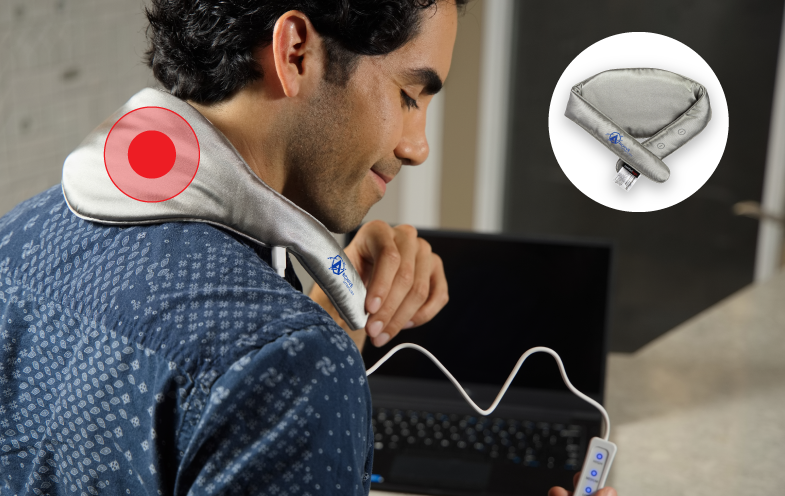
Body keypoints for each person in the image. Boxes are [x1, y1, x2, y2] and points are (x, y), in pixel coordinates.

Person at [0, 0, 617, 494]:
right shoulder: (285, 361)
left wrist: (322, 317)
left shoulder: (16, 237)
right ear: (295, 51)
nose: (417, 146)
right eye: (408, 95)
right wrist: (305, 350)